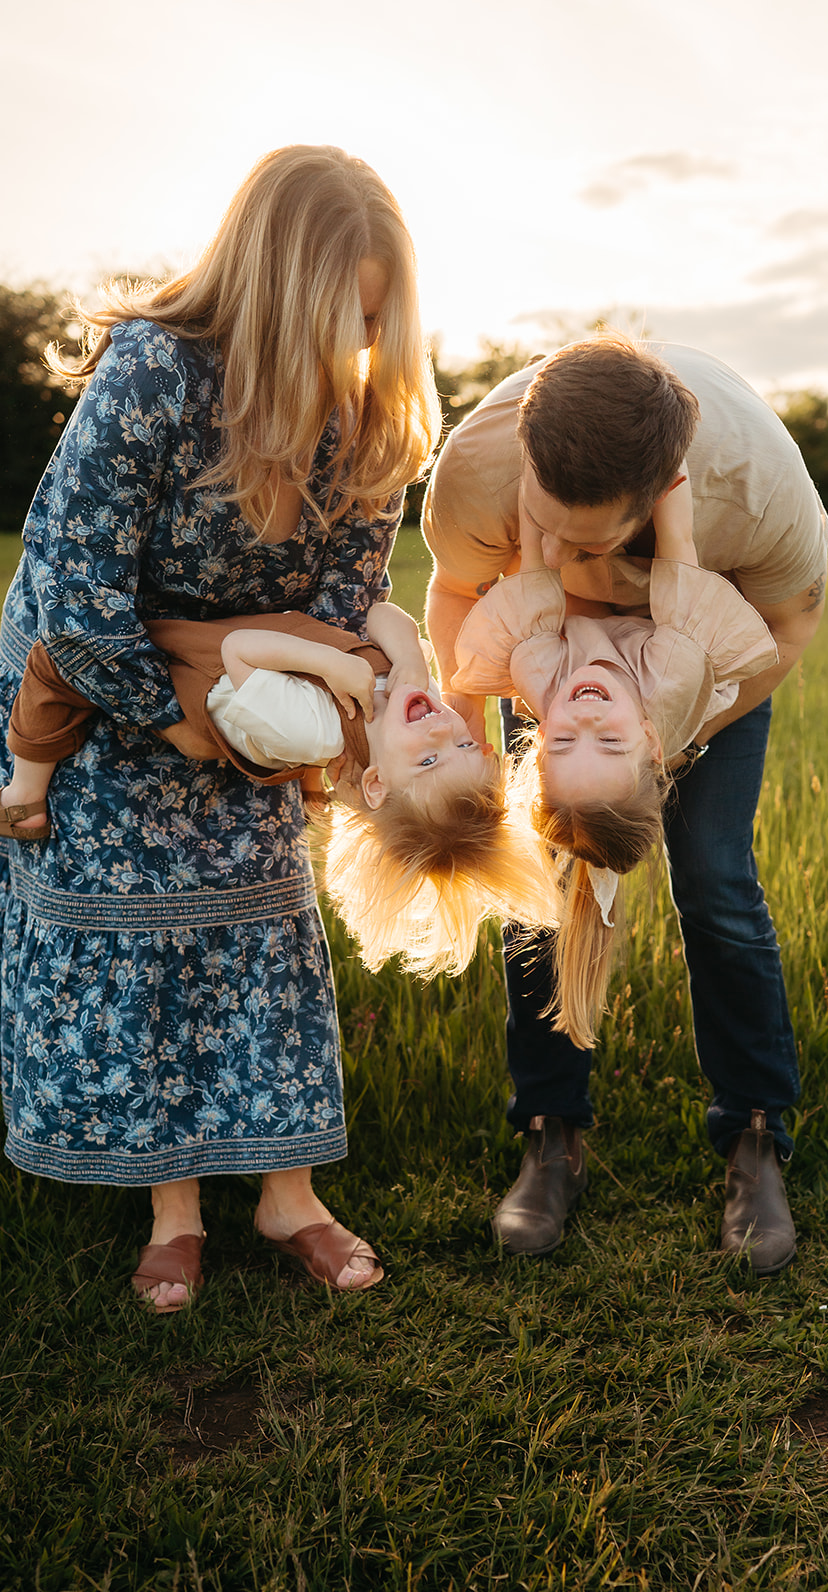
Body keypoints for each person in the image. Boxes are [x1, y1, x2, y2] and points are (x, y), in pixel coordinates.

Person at [0, 144, 442, 1311]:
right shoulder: (155, 374)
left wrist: (307, 716)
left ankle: (285, 1193)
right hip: (100, 674)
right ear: (267, 290)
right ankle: (174, 1204)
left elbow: (350, 592)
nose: (353, 351)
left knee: (263, 919)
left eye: (371, 324)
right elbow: (70, 581)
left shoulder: (372, 416)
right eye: (337, 321)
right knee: (138, 930)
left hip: (264, 684)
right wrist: (171, 720)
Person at [422, 332, 828, 1274]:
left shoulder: (757, 495)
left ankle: (754, 1134)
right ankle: (550, 1129)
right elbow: (453, 589)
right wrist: (471, 733)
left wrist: (671, 729)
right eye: (546, 525)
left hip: (708, 665)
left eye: (586, 537)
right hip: (557, 672)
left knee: (717, 881)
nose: (557, 549)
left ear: (657, 499)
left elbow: (788, 625)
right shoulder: (475, 477)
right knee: (546, 878)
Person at [0, 599, 555, 979]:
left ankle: (21, 798)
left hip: (196, 668)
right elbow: (383, 613)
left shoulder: (314, 726)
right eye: (461, 747)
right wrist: (409, 658)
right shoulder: (409, 703)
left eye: (429, 760)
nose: (443, 729)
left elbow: (238, 649)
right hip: (277, 652)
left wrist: (331, 664)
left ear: (379, 782)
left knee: (60, 669)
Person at [450, 472, 778, 1048]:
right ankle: (548, 1114)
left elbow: (534, 568)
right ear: (654, 746)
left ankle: (755, 1113)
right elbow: (679, 548)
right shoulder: (670, 671)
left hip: (681, 677)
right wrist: (664, 474)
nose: (587, 723)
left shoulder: (543, 681)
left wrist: (538, 487)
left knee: (714, 876)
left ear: (541, 732)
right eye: (607, 743)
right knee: (541, 893)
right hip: (673, 666)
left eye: (563, 742)